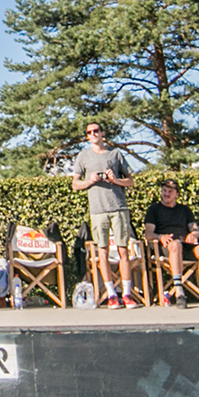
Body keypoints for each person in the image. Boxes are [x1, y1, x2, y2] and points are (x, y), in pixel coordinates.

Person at [72, 122, 139, 309]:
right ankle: (111, 295)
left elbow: (131, 181)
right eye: (89, 132)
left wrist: (115, 180)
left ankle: (126, 294)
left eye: (96, 131)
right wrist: (90, 181)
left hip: (118, 207)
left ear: (102, 133)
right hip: (97, 210)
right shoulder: (83, 156)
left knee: (123, 250)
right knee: (102, 251)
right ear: (87, 136)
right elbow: (75, 184)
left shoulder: (115, 154)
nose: (93, 134)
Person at [142, 179, 199, 308]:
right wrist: (160, 237)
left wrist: (194, 234)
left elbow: (195, 229)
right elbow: (148, 234)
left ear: (177, 194)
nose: (166, 194)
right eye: (164, 191)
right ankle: (179, 293)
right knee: (175, 245)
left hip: (185, 243)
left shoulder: (184, 210)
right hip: (166, 246)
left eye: (170, 191)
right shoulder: (154, 209)